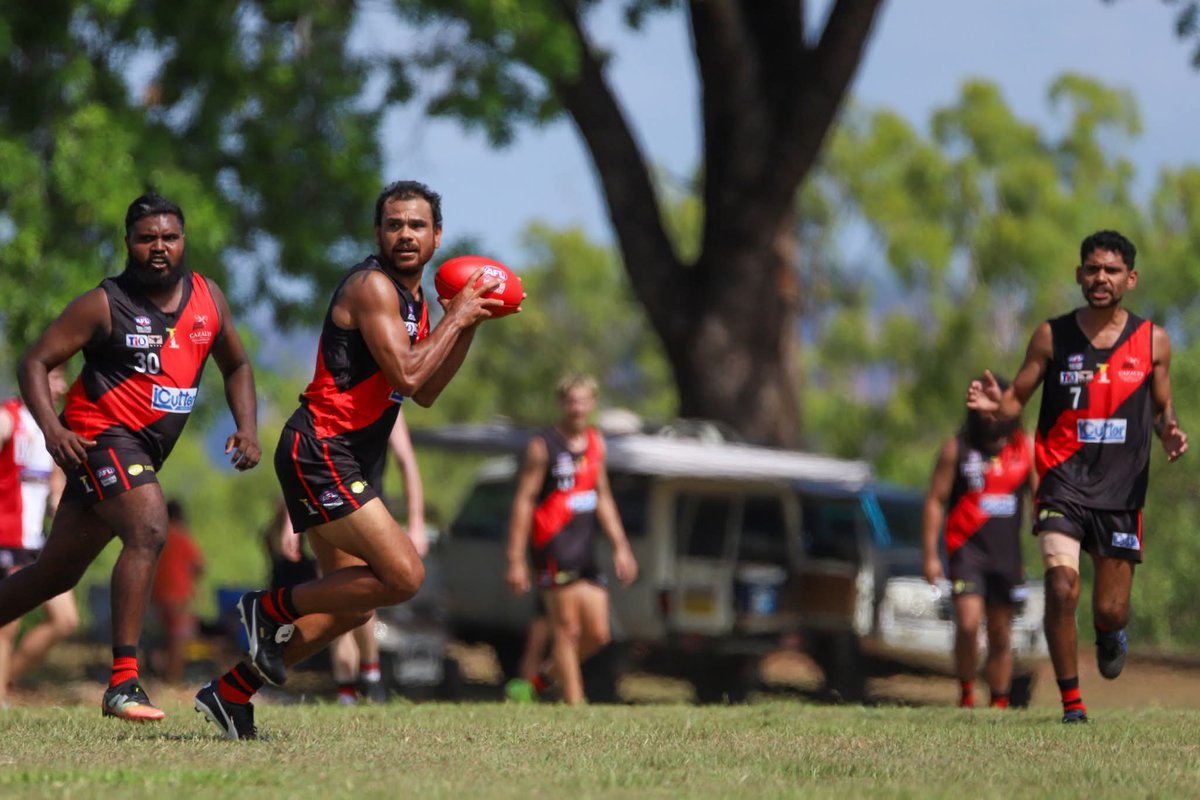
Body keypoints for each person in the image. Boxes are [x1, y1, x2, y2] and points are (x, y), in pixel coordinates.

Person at [194, 179, 509, 739]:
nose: (405, 234)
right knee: (405, 575)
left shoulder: (412, 301)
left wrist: (468, 325)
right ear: (378, 233)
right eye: (394, 224)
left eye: (417, 225)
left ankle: (231, 692)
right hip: (321, 450)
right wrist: (456, 318)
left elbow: (428, 391)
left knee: (352, 608)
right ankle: (267, 608)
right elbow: (408, 376)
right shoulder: (373, 289)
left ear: (438, 237)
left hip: (343, 459)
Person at [0, 192, 261, 721]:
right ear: (129, 243)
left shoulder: (209, 299)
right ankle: (123, 681)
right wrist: (52, 432)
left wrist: (248, 427)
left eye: (169, 237)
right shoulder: (103, 303)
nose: (159, 247)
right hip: (100, 440)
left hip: (141, 453)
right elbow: (35, 361)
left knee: (54, 576)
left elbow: (236, 364)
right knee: (148, 528)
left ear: (183, 241)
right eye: (147, 239)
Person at [966, 229, 1188, 724]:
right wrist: (994, 408)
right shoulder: (1052, 336)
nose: (1100, 278)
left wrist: (1168, 429)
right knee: (1062, 587)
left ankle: (1111, 634)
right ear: (1078, 275)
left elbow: (1161, 406)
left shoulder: (1153, 340)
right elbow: (1015, 400)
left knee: (1109, 610)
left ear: (1130, 278)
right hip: (1061, 482)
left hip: (1120, 490)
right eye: (1092, 269)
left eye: (1111, 270)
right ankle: (1072, 705)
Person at [504, 373, 638, 705]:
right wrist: (516, 558)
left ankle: (539, 680)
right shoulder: (543, 445)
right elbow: (523, 501)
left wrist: (621, 546)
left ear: (592, 403)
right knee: (566, 631)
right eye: (570, 400)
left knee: (598, 634)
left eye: (583, 400)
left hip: (585, 551)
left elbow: (602, 495)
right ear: (561, 403)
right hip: (552, 547)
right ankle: (574, 705)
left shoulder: (596, 444)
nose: (577, 408)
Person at [922, 376, 1037, 709]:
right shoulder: (956, 448)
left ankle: (999, 702)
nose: (988, 413)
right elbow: (934, 501)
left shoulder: (1023, 448)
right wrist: (931, 555)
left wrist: (1047, 528)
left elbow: (1040, 494)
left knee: (1001, 632)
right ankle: (966, 693)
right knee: (970, 624)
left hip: (1007, 555)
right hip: (967, 551)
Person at [330, 409, 427, 705]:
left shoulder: (388, 406)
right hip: (330, 508)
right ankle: (347, 689)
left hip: (370, 511)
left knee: (360, 600)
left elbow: (406, 462)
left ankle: (370, 672)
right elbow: (304, 458)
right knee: (334, 599)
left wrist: (417, 522)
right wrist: (290, 523)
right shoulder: (331, 401)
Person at [0, 366, 77, 706]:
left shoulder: (54, 428)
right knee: (8, 624)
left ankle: (6, 680)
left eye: (63, 378)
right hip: (7, 538)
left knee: (65, 620)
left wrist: (57, 498)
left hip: (37, 542)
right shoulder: (8, 418)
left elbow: (54, 477)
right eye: (55, 376)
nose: (61, 385)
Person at [150, 498, 205, 684]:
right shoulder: (182, 537)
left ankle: (160, 674)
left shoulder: (157, 536)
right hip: (178, 594)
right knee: (177, 639)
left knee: (163, 637)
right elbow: (199, 565)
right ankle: (173, 679)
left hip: (157, 593)